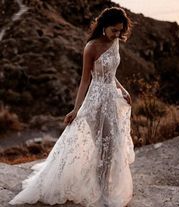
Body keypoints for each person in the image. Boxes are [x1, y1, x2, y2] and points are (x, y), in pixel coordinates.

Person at [9, 6, 135, 207]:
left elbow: (110, 73)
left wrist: (123, 89)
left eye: (120, 30)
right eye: (114, 30)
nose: (118, 34)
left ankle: (103, 186)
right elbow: (85, 80)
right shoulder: (91, 47)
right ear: (104, 26)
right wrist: (76, 109)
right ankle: (102, 191)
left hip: (111, 99)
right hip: (95, 101)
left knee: (112, 145)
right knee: (103, 147)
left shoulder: (115, 43)